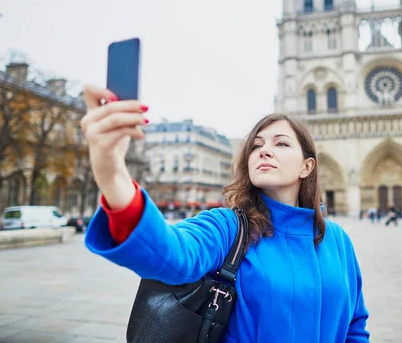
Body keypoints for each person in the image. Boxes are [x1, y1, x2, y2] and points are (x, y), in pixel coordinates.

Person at [80, 85, 370, 342]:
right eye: (257, 145)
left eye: (280, 143)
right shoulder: (228, 227)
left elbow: (354, 329)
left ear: (307, 167)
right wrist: (112, 172)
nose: (264, 151)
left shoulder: (338, 241)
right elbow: (171, 254)